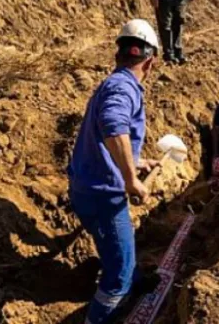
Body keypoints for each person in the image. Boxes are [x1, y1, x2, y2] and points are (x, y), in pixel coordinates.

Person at [67, 19, 162, 323]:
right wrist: (131, 179)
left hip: (90, 186)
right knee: (117, 275)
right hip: (102, 196)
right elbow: (113, 125)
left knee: (124, 247)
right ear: (150, 62)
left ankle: (135, 282)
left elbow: (109, 137)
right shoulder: (124, 87)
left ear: (118, 55)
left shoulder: (115, 82)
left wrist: (135, 162)